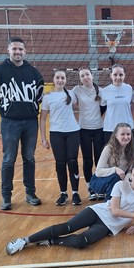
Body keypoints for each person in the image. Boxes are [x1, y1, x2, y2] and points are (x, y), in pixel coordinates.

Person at [5, 162, 134, 255]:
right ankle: (24, 241)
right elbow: (114, 210)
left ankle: (51, 241)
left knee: (82, 242)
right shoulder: (120, 185)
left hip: (108, 226)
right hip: (97, 212)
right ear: (130, 175)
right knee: (67, 227)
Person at [0, 36, 44, 211]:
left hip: (30, 121)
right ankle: (6, 196)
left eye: (20, 49)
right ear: (8, 51)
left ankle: (30, 193)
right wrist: (6, 108)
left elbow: (39, 94)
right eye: (14, 49)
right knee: (8, 159)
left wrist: (28, 107)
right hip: (10, 122)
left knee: (29, 158)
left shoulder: (33, 72)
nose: (17, 52)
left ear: (25, 51)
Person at [40, 70, 81, 206]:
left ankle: (75, 193)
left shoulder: (71, 94)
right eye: (58, 77)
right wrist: (43, 138)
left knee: (72, 162)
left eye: (63, 78)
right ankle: (63, 193)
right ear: (53, 79)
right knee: (60, 163)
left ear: (66, 80)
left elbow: (82, 104)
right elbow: (43, 118)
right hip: (56, 133)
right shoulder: (48, 97)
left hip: (73, 132)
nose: (60, 80)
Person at [72, 68, 105, 199]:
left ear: (92, 76)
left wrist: (98, 118)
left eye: (87, 74)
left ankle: (100, 187)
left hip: (98, 129)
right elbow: (67, 97)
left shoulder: (100, 91)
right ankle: (90, 187)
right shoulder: (77, 90)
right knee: (87, 160)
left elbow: (104, 107)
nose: (85, 77)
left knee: (99, 159)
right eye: (82, 76)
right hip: (83, 129)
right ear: (80, 79)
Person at [88, 123, 134, 200]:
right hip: (98, 180)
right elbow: (99, 172)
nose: (126, 137)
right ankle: (109, 203)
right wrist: (115, 169)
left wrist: (127, 177)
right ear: (116, 136)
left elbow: (131, 169)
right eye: (122, 134)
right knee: (116, 177)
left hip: (118, 180)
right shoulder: (109, 149)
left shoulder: (131, 150)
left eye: (128, 134)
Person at [100, 63, 134, 144]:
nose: (118, 77)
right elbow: (101, 109)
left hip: (127, 128)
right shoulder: (105, 91)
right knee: (110, 152)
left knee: (129, 152)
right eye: (115, 74)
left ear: (124, 75)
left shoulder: (129, 88)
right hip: (110, 129)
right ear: (110, 75)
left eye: (121, 75)